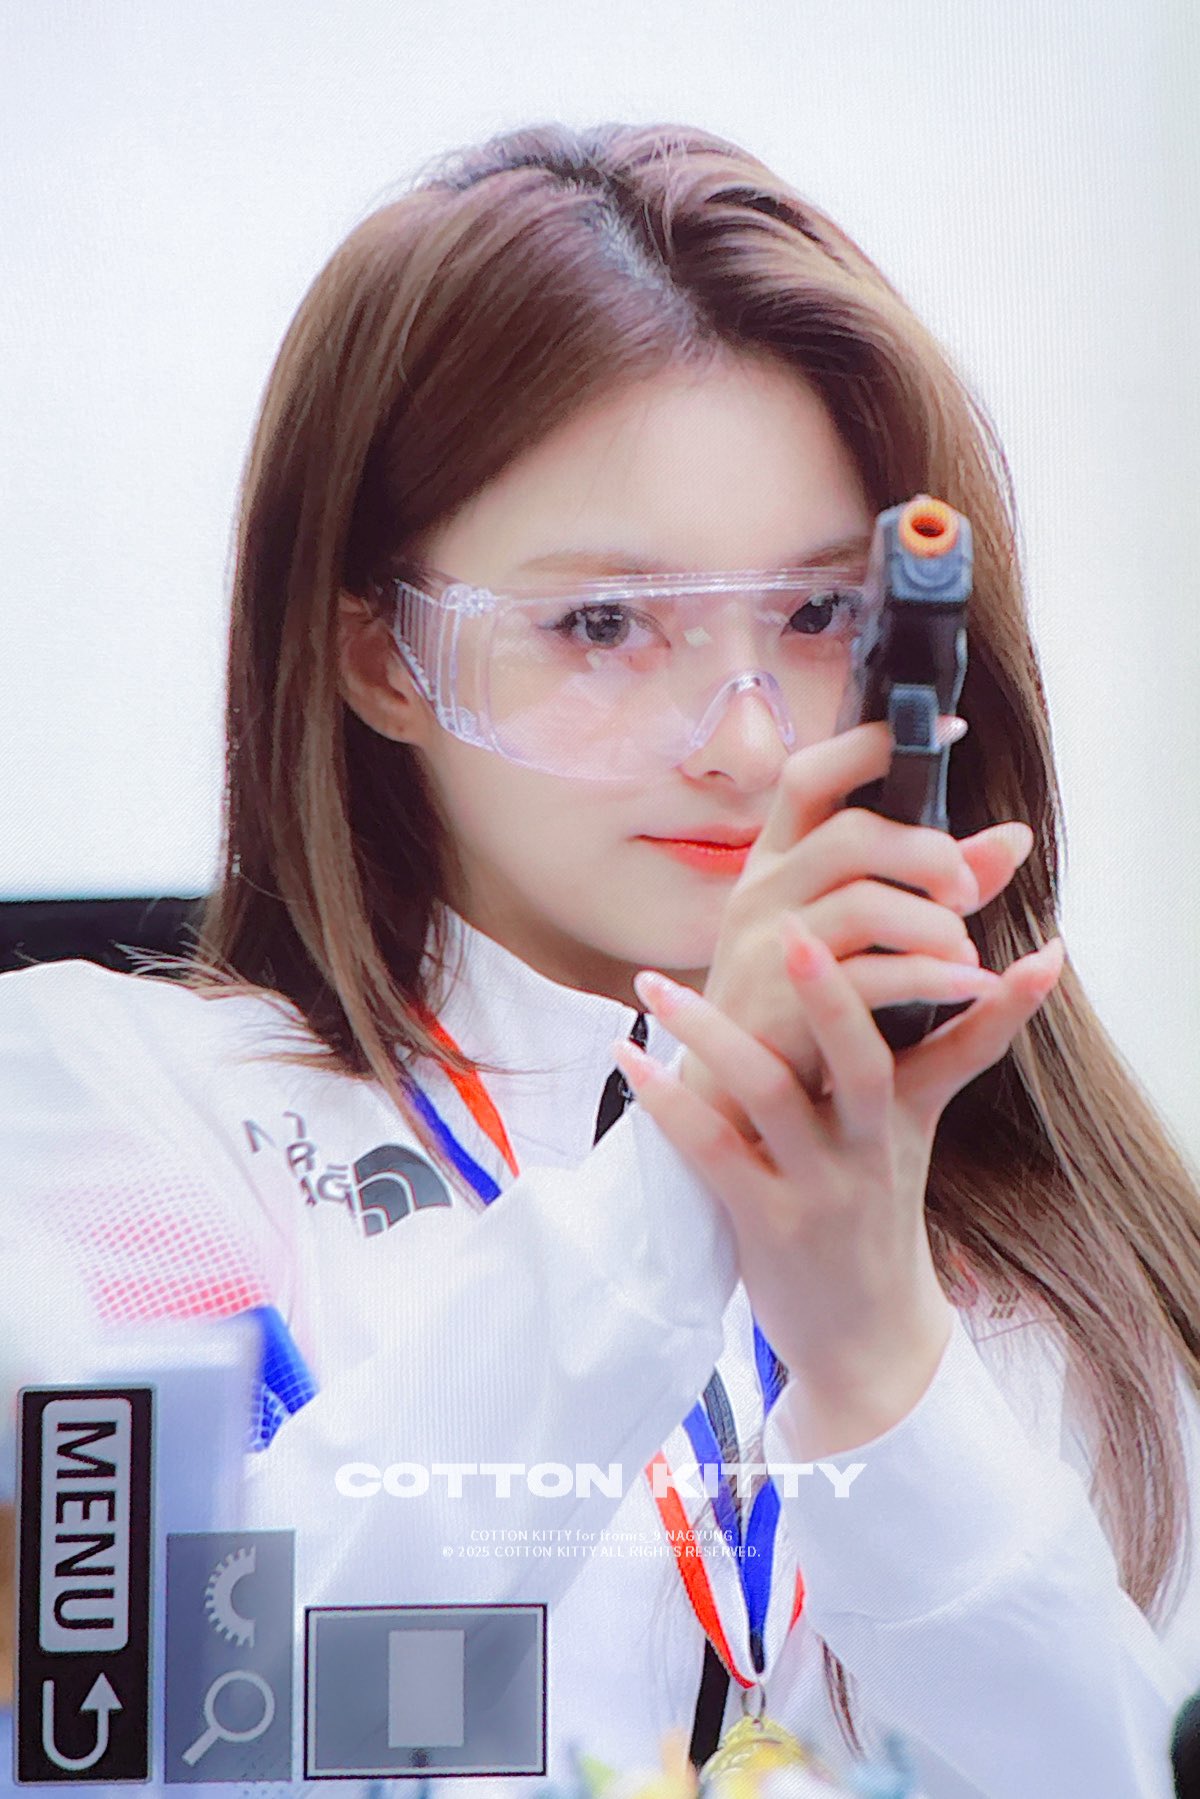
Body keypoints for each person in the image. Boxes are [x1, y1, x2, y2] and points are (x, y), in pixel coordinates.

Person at [3, 120, 1200, 1797]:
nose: (745, 739)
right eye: (604, 625)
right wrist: (687, 1184)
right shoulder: (104, 1109)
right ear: (381, 657)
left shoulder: (1076, 1264)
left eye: (816, 618)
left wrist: (877, 1354)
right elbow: (148, 1721)